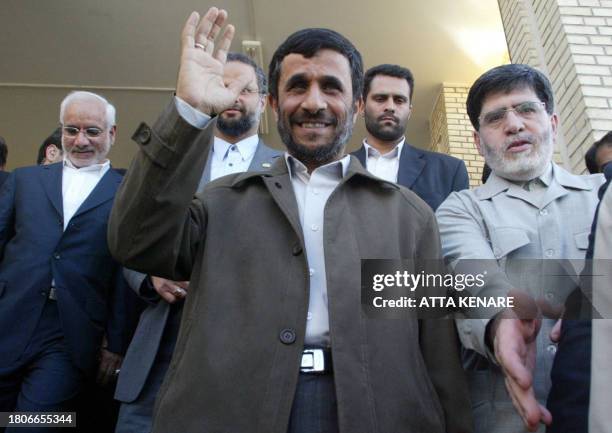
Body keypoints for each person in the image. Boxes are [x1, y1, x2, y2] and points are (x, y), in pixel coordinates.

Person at [108, 7, 471, 433]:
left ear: (355, 106)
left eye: (331, 87)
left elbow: (438, 353)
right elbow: (135, 242)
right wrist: (188, 112)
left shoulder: (409, 217)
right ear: (274, 104)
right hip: (234, 412)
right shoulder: (220, 201)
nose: (313, 102)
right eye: (298, 86)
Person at [114, 51, 281, 433]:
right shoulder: (172, 161)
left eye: (245, 89)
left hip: (246, 348)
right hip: (163, 341)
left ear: (263, 100)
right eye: (224, 86)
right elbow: (133, 229)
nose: (234, 96)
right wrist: (150, 275)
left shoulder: (288, 170)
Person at [435, 64, 604, 433]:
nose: (514, 125)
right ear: (479, 143)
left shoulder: (601, 197)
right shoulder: (460, 209)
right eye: (496, 118)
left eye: (527, 110)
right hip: (504, 419)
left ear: (553, 123)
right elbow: (471, 274)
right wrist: (501, 322)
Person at [0, 91, 133, 430]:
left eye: (92, 130)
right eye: (71, 130)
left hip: (70, 334)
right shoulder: (23, 180)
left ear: (112, 134)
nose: (80, 140)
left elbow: (125, 270)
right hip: (8, 318)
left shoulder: (128, 191)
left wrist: (116, 343)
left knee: (37, 423)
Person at [352, 64, 469, 210]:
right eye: (380, 99)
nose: (390, 107)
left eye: (399, 100)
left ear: (409, 112)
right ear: (362, 107)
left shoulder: (449, 171)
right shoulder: (335, 169)